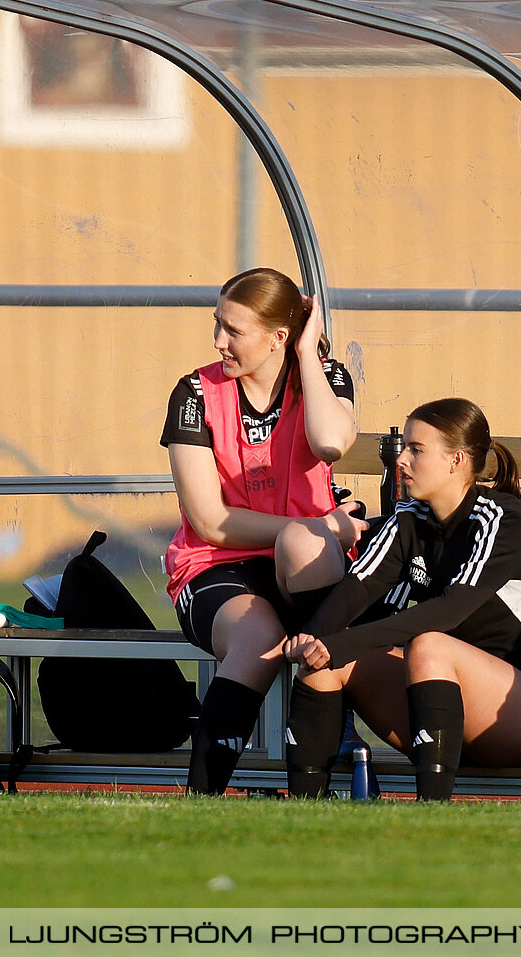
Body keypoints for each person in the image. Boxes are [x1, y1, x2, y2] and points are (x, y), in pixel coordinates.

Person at [281, 398, 521, 802]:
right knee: (325, 660)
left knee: (427, 644)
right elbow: (356, 589)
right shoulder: (410, 517)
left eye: (416, 450)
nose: (401, 459)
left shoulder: (503, 521)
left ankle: (431, 812)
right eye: (405, 447)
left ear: (456, 460)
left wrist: (337, 644)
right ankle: (304, 811)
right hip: (447, 714)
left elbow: (447, 610)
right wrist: (313, 640)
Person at [161, 268, 366, 796]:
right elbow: (211, 523)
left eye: (233, 330)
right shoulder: (192, 392)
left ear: (279, 335)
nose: (218, 342)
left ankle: (314, 787)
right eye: (217, 325)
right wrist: (325, 524)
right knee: (259, 640)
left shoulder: (325, 376)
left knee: (304, 545)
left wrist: (306, 356)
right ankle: (199, 798)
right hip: (215, 565)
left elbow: (331, 445)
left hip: (303, 562)